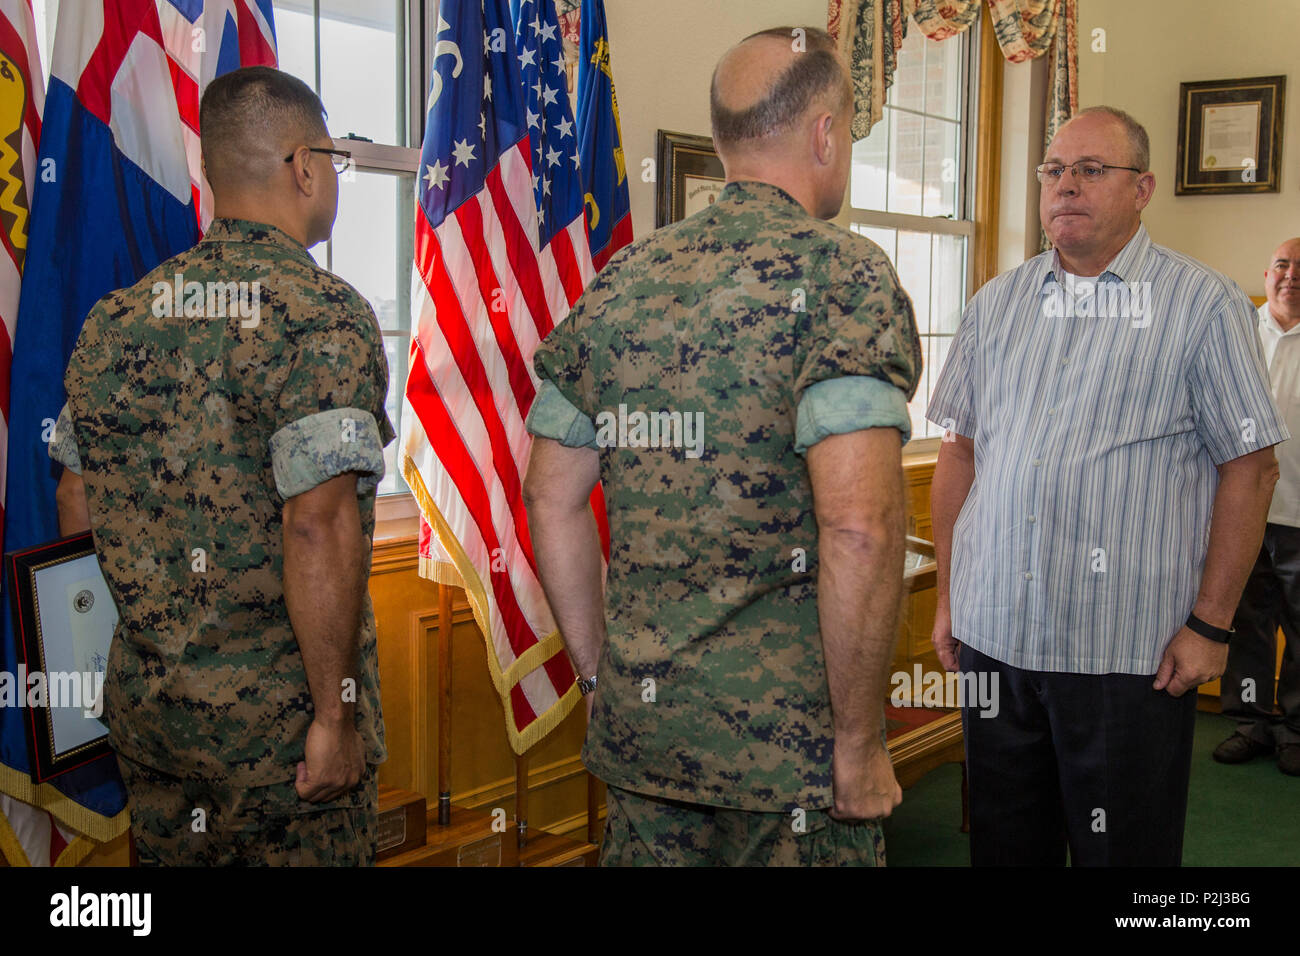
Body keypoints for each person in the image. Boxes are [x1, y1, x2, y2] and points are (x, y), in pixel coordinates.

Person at [522, 25, 921, 867]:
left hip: (646, 737)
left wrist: (600, 681)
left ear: (723, 141)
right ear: (824, 133)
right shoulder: (846, 279)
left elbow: (549, 498)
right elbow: (861, 528)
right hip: (793, 759)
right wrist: (856, 742)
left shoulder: (619, 282)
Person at [48, 66, 392, 866]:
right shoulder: (320, 312)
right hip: (284, 747)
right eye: (333, 163)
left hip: (155, 725)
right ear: (304, 166)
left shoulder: (120, 318)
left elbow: (76, 500)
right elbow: (317, 520)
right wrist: (335, 718)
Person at [928, 105, 1287, 866]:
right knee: (1006, 845)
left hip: (1127, 651)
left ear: (1142, 188)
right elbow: (959, 454)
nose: (1066, 186)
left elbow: (1250, 468)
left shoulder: (1203, 306)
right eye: (1053, 170)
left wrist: (1213, 625)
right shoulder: (997, 304)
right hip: (996, 638)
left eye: (1091, 170)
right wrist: (953, 599)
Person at [1214, 238, 1300, 775]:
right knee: (1247, 625)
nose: (1291, 276)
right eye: (1282, 266)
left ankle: (1295, 730)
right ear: (1265, 274)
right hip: (1243, 512)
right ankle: (1251, 725)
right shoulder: (1236, 333)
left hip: (1299, 514)